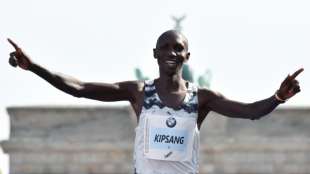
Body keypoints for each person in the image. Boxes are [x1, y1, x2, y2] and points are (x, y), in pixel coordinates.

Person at [7, 30, 303, 174]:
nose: (172, 52)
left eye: (179, 48)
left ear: (187, 56)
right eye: (165, 47)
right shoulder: (139, 92)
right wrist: (33, 66)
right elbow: (80, 89)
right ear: (155, 53)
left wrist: (278, 97)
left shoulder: (202, 98)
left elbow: (251, 112)